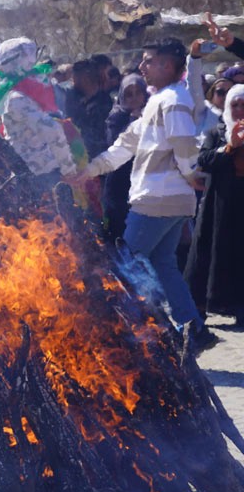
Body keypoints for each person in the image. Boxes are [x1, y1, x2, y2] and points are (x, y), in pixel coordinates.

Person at [74, 39, 213, 348]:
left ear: (166, 65)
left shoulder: (173, 100)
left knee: (126, 264)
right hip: (168, 200)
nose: (142, 66)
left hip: (157, 199)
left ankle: (136, 336)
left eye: (148, 61)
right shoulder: (159, 100)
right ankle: (194, 329)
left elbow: (185, 143)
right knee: (163, 264)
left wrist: (191, 173)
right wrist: (91, 170)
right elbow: (125, 144)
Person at [184, 84, 244, 329]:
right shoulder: (217, 132)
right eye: (235, 105)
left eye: (243, 105)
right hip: (218, 206)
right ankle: (199, 309)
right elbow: (205, 160)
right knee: (208, 253)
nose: (239, 109)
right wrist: (230, 147)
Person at [0, 37, 79, 190]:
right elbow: (53, 131)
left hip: (31, 171)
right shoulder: (14, 98)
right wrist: (69, 170)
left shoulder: (5, 85)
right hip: (39, 175)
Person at [101, 74, 147, 243]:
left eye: (138, 92)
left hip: (143, 185)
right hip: (119, 185)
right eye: (129, 93)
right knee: (117, 235)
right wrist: (134, 120)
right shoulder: (116, 117)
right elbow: (117, 145)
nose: (134, 98)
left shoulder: (153, 113)